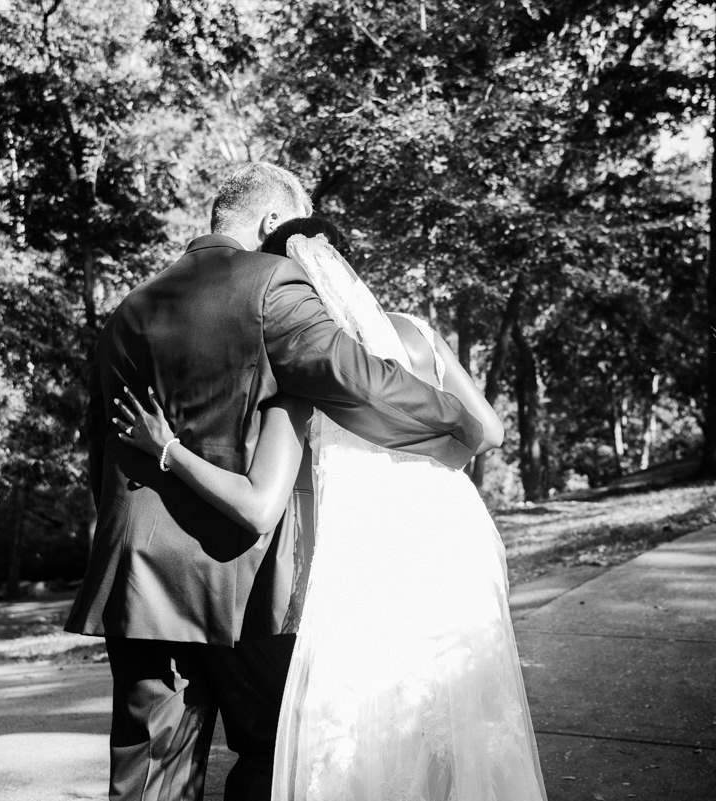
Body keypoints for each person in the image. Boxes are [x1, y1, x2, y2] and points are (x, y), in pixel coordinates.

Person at [64, 164, 486, 801]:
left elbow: (104, 446)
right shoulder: (273, 285)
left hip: (141, 582)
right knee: (269, 758)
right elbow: (357, 380)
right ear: (269, 222)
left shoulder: (131, 308)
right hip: (244, 583)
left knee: (150, 779)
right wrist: (460, 422)